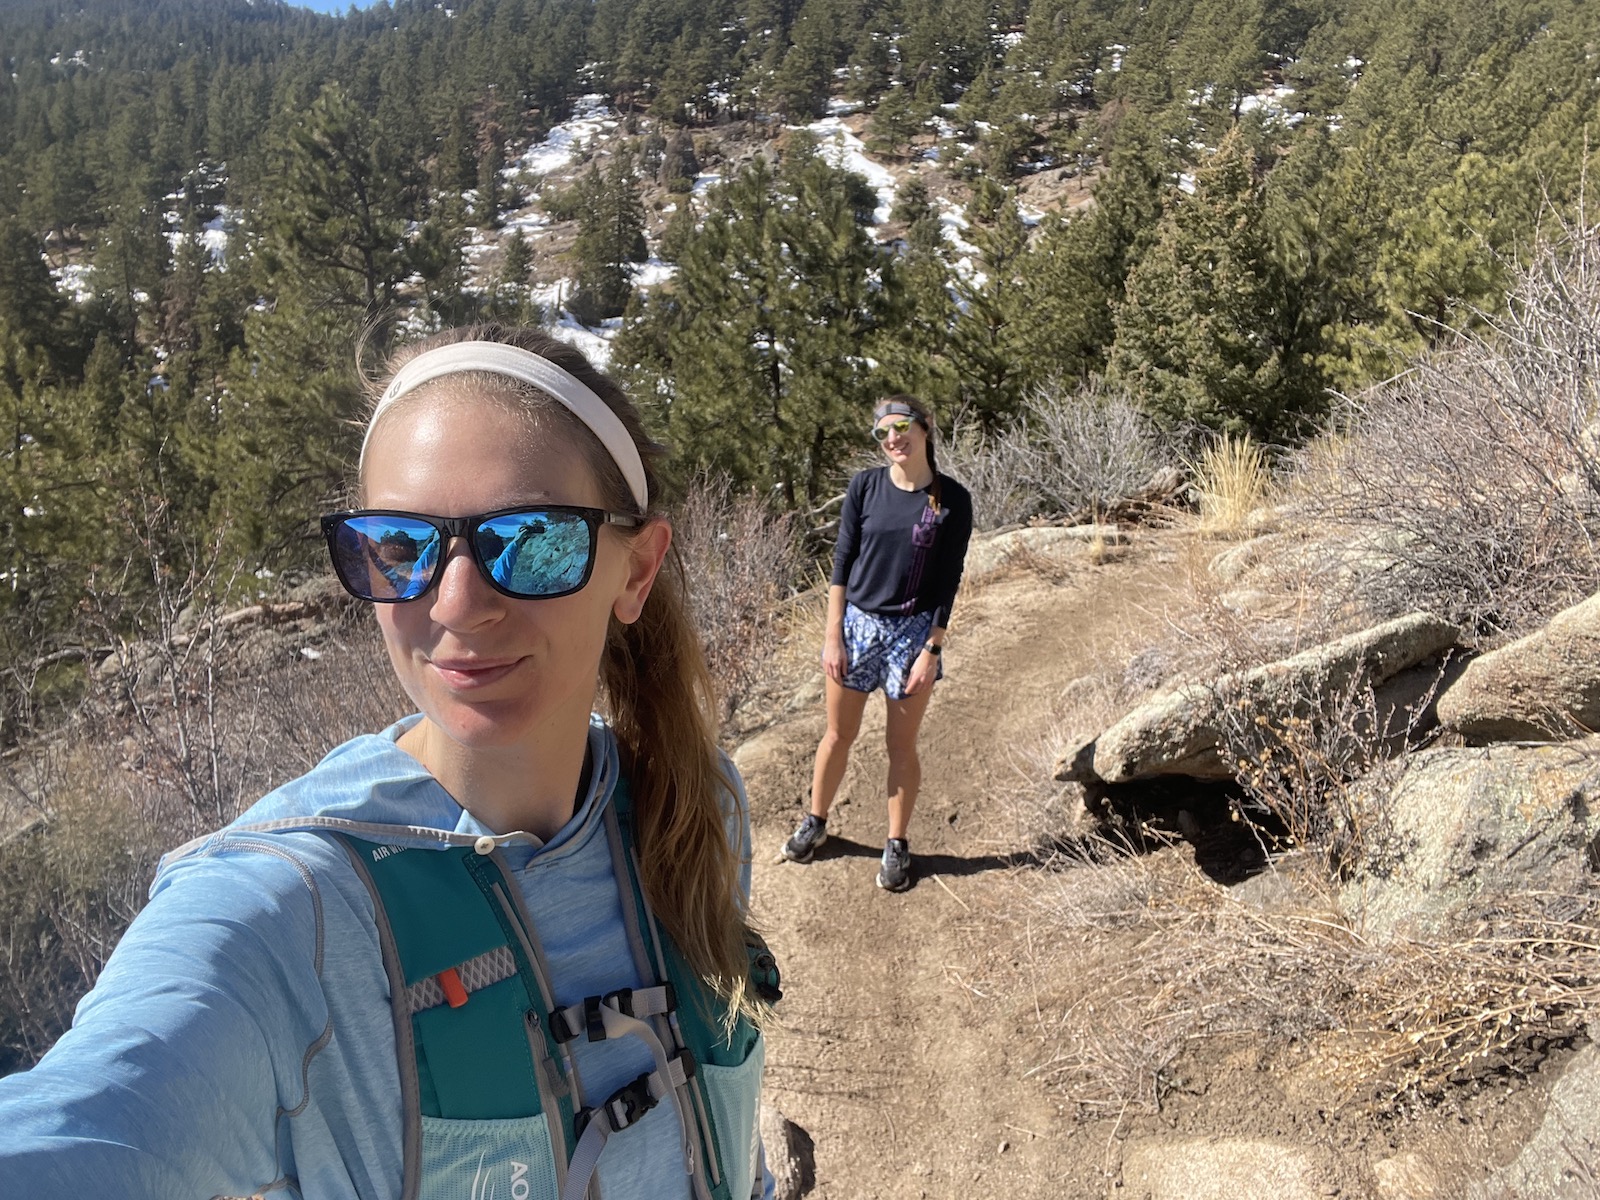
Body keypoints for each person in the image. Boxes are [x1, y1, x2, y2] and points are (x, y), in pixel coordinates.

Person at [0, 325, 776, 1200]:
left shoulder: (697, 805)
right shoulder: (292, 912)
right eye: (402, 548)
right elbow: (90, 1123)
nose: (458, 604)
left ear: (636, 571)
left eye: (532, 540)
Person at [780, 396, 973, 892]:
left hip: (912, 634)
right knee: (837, 735)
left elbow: (949, 580)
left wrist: (932, 650)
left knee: (900, 746)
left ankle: (896, 844)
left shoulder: (953, 500)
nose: (892, 439)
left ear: (925, 429)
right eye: (882, 432)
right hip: (857, 628)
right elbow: (841, 563)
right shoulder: (865, 487)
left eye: (901, 427)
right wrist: (832, 637)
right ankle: (816, 820)